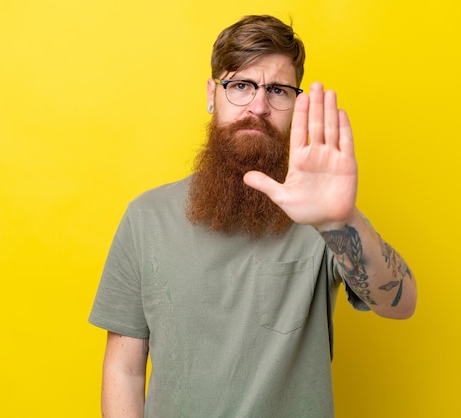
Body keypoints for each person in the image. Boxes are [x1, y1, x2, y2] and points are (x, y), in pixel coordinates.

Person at [89, 14, 416, 417]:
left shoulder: (323, 216)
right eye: (241, 85)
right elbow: (124, 369)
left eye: (278, 90)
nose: (258, 107)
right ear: (212, 94)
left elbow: (399, 303)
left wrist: (339, 220)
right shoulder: (146, 218)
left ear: (296, 104)